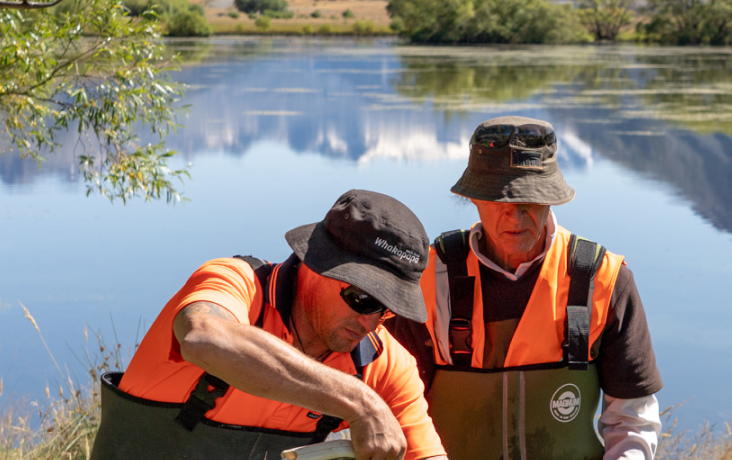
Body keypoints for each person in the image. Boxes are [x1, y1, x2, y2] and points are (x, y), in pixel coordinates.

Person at [90, 189, 448, 460]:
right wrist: (360, 402)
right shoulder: (237, 283)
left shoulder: (382, 364)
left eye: (387, 309)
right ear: (317, 265)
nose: (370, 322)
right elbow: (203, 337)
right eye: (363, 298)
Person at [385, 116, 663, 460]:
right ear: (474, 199)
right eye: (500, 202)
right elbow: (394, 408)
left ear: (552, 199)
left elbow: (632, 421)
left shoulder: (604, 280)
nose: (515, 219)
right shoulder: (428, 279)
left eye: (529, 202)